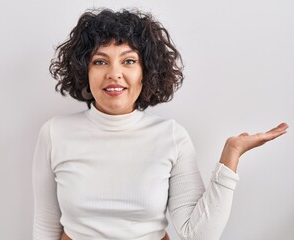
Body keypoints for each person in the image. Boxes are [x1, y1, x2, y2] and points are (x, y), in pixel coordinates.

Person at [32, 8, 288, 240]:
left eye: (129, 61)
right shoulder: (55, 133)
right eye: (100, 61)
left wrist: (231, 154)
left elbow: (198, 235)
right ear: (83, 70)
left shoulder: (172, 137)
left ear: (147, 71)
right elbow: (44, 228)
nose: (114, 73)